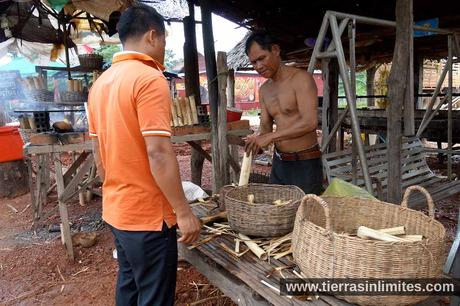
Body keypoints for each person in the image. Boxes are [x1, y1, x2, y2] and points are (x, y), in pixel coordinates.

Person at [87, 4, 201, 306]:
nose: (164, 48)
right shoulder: (150, 79)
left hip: (117, 211)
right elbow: (159, 153)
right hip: (148, 219)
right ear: (152, 36)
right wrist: (184, 212)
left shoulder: (100, 84)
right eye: (164, 40)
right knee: (154, 297)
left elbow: (98, 151)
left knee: (130, 287)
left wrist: (115, 189)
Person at [244, 31, 323, 195]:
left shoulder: (301, 79)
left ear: (275, 50)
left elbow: (310, 122)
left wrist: (271, 137)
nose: (258, 66)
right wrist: (257, 138)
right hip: (280, 163)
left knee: (304, 216)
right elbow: (265, 127)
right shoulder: (264, 90)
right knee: (277, 213)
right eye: (253, 62)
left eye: (261, 58)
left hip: (305, 162)